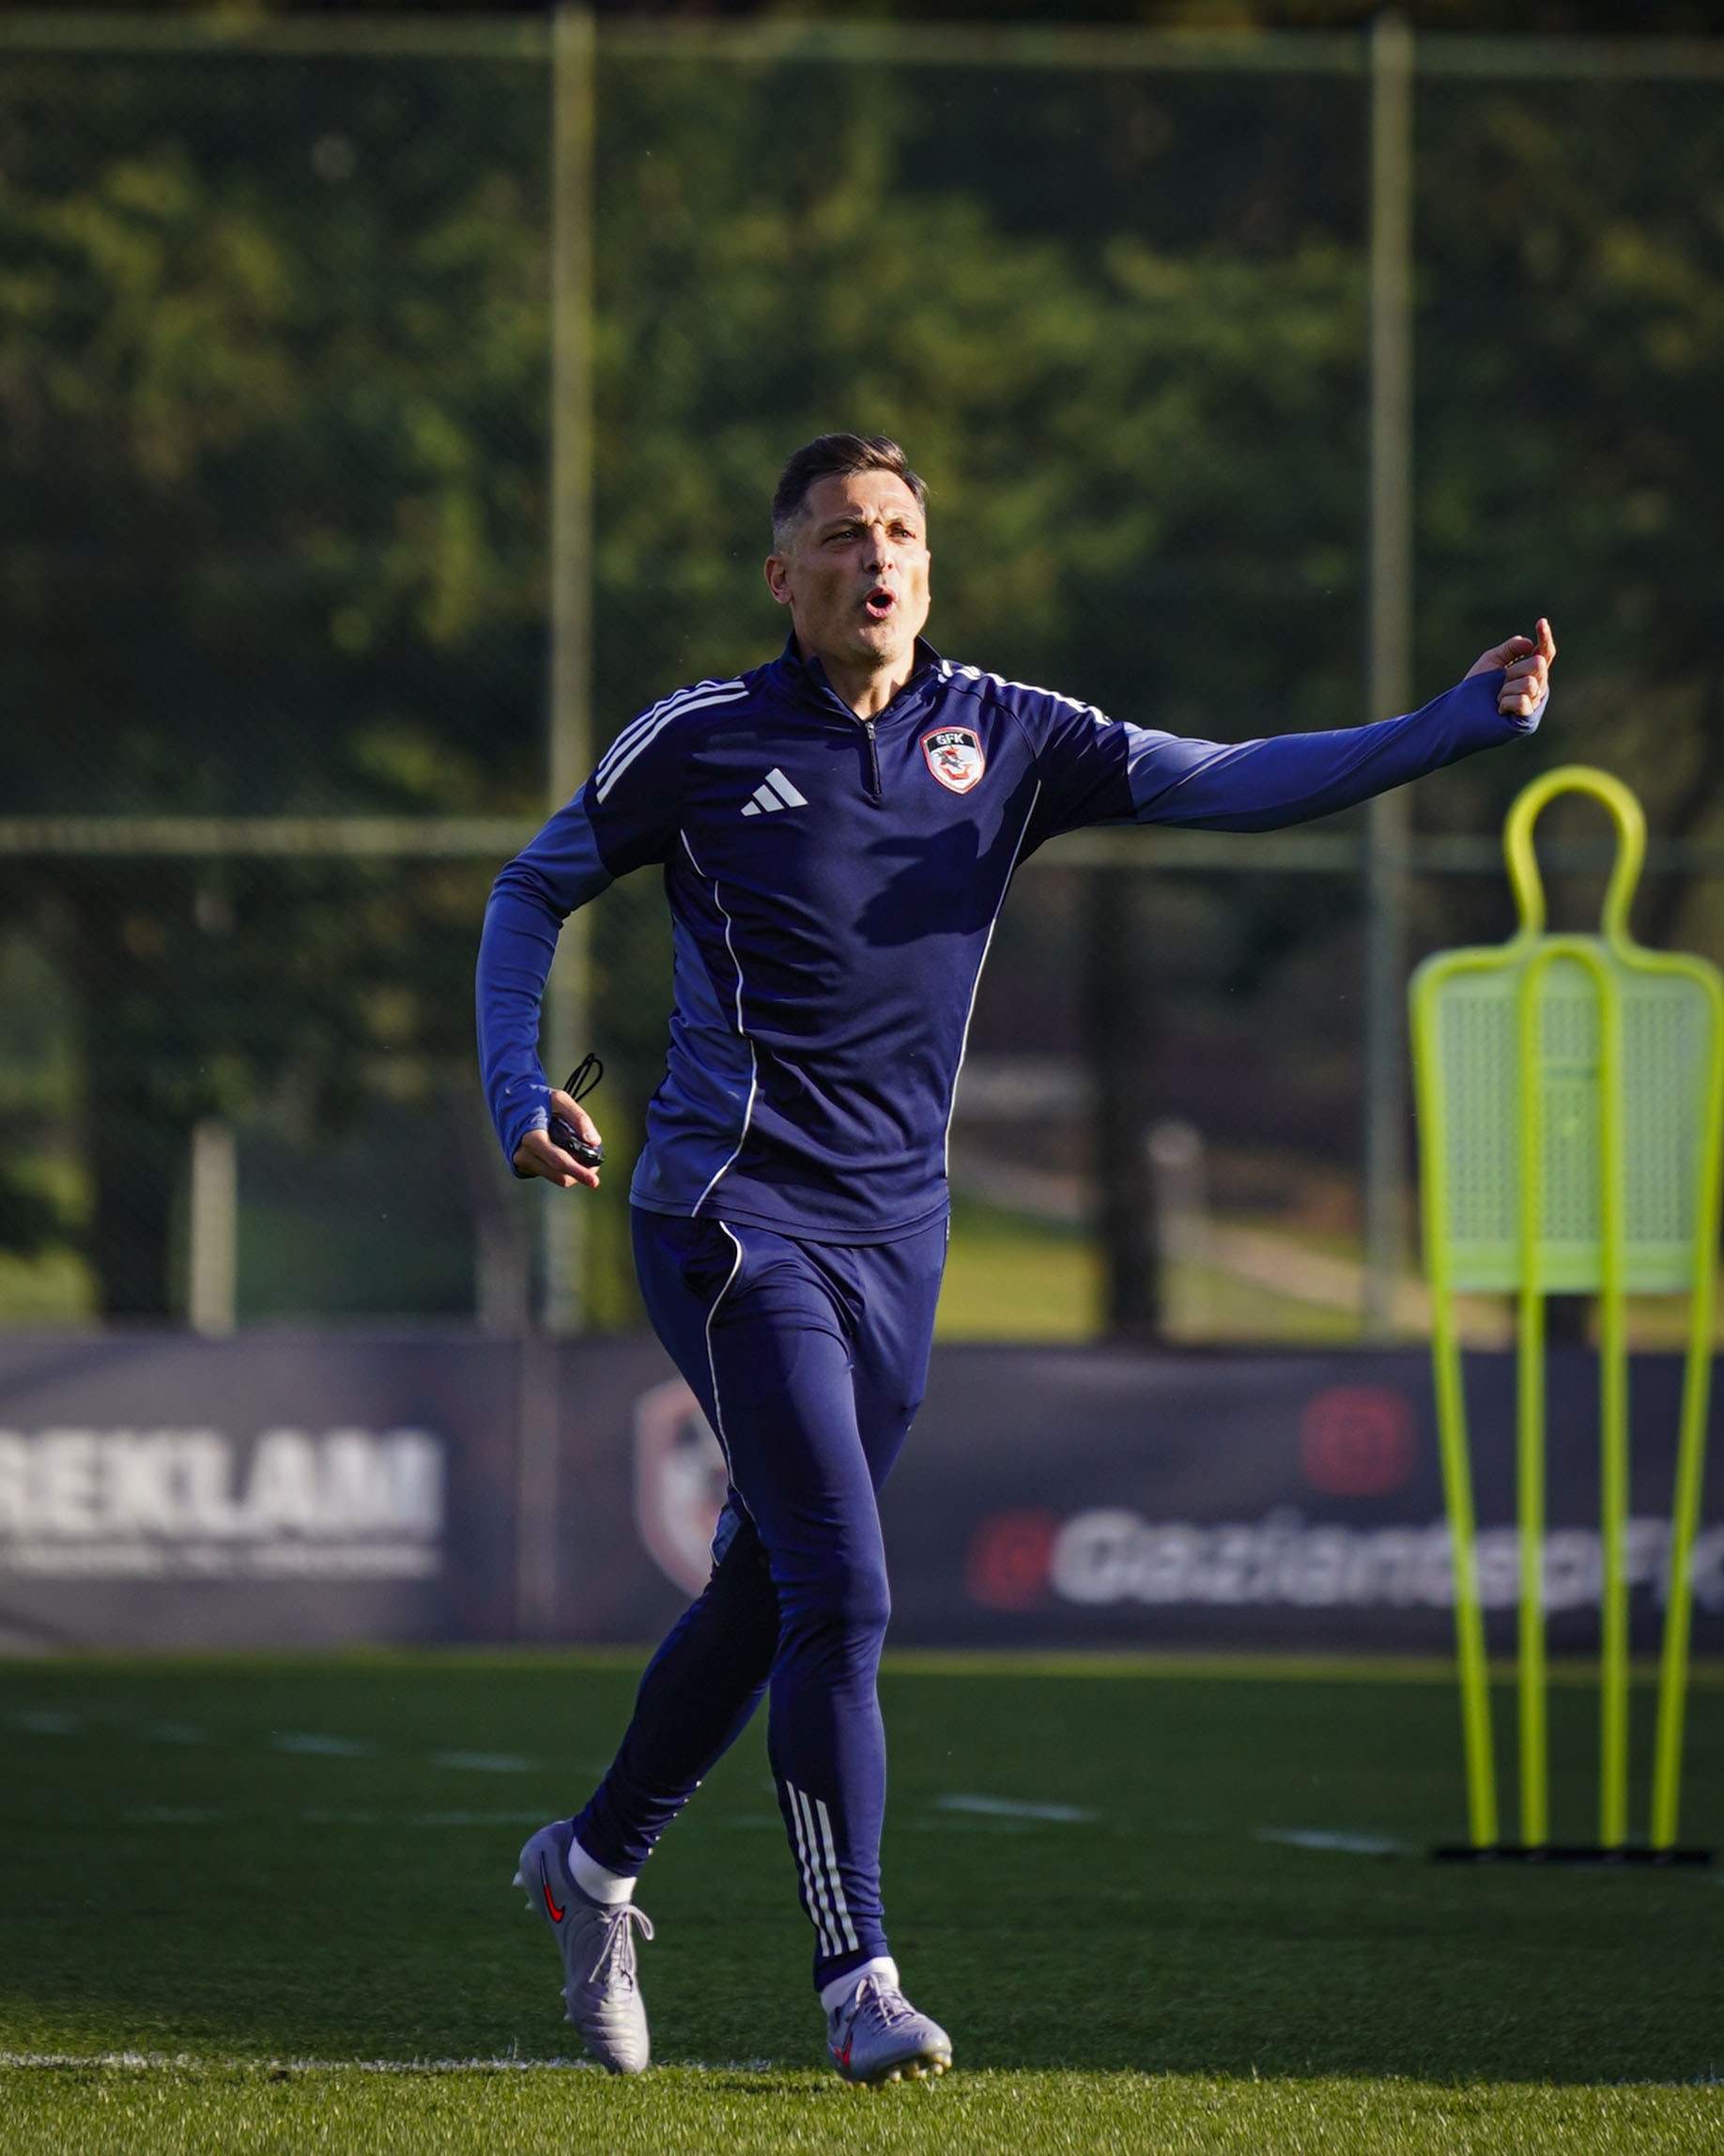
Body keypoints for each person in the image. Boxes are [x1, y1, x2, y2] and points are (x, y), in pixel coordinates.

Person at [477, 432, 1554, 2084]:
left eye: (901, 533)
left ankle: (594, 1864)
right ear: (783, 576)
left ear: (929, 563)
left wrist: (1448, 728)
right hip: (730, 1219)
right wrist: (514, 1085)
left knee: (771, 1587)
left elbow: (1232, 777)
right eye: (844, 535)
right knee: (844, 1590)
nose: (878, 559)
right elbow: (530, 889)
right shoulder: (700, 739)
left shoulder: (1012, 733)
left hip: (900, 1241)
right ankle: (859, 1982)